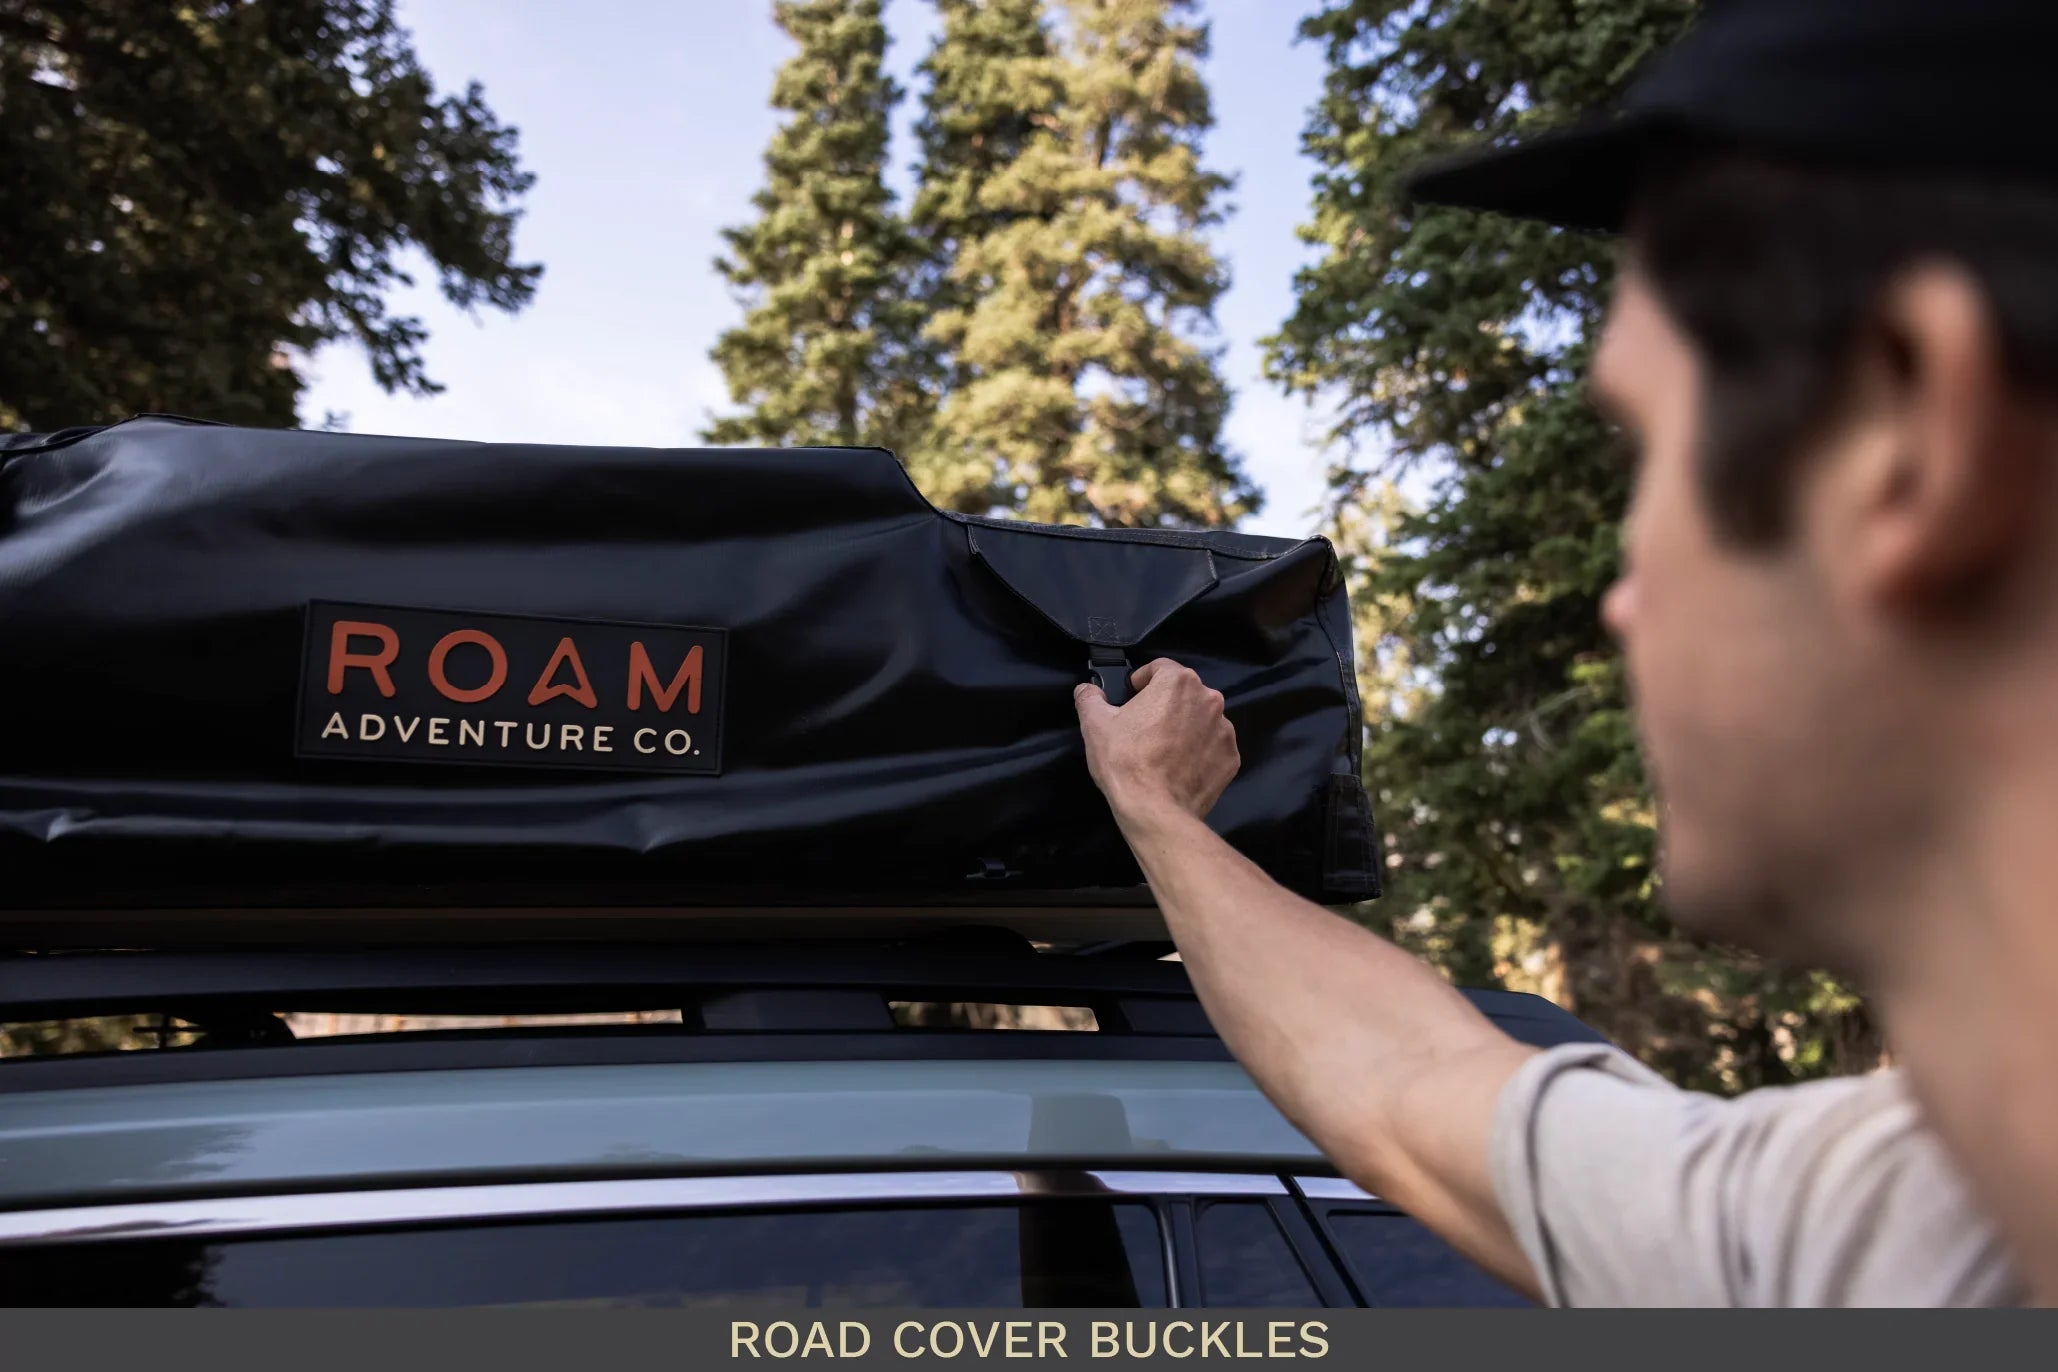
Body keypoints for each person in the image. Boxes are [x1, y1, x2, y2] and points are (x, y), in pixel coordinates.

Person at [1074, 0, 2058, 1307]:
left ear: (1912, 440)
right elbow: (1406, 1083)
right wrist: (1155, 813)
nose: (1621, 602)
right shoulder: (1874, 1227)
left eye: (1644, 451)